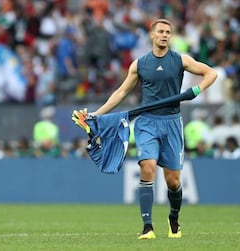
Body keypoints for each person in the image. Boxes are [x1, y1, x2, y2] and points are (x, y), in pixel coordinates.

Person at [80, 19, 217, 239]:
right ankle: (147, 227)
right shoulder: (139, 64)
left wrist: (195, 91)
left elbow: (211, 73)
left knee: (173, 181)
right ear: (152, 36)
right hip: (147, 122)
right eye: (161, 32)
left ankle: (174, 217)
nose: (164, 35)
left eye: (168, 32)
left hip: (172, 123)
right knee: (147, 167)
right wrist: (98, 113)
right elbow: (121, 92)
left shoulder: (181, 60)